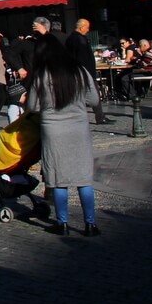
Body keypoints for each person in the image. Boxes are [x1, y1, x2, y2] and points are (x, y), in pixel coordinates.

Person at [26, 37, 102, 236]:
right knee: (84, 178)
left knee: (58, 178)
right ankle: (90, 224)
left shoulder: (42, 75)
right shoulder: (80, 71)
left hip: (53, 131)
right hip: (79, 129)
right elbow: (94, 99)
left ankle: (63, 223)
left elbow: (32, 106)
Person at [67, 19, 111, 124]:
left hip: (79, 72)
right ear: (81, 27)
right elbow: (82, 58)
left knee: (81, 96)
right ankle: (100, 117)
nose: (88, 30)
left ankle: (99, 116)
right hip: (85, 73)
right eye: (87, 27)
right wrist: (86, 72)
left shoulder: (72, 38)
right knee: (93, 95)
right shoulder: (79, 39)